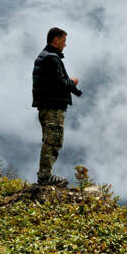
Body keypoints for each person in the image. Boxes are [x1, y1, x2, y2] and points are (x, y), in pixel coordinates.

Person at [32, 27, 82, 186]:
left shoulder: (44, 56)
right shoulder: (52, 59)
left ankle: (44, 174)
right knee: (53, 141)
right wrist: (72, 83)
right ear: (55, 40)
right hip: (53, 106)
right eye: (63, 41)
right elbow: (61, 83)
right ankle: (45, 176)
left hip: (45, 105)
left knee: (49, 139)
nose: (65, 45)